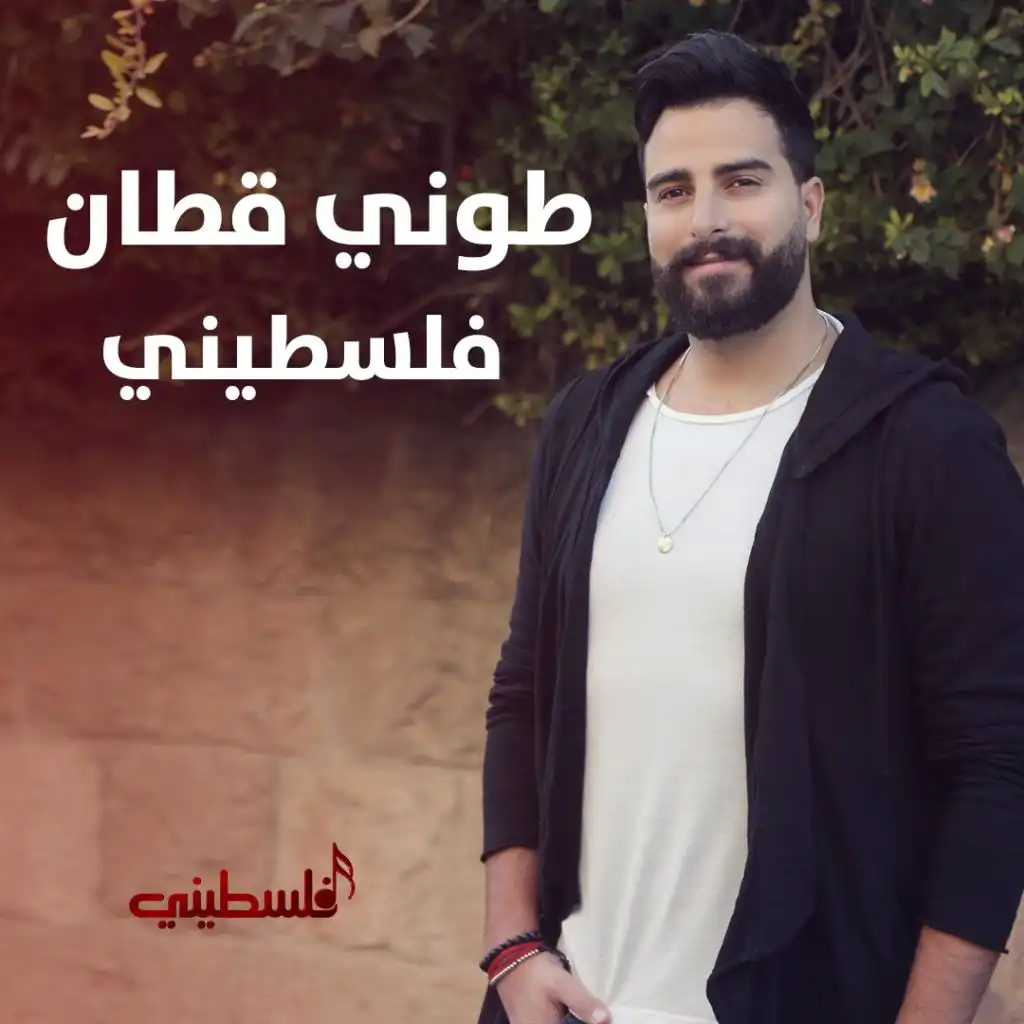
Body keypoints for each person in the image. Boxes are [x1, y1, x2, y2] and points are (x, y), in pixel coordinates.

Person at [474, 28, 1024, 1024]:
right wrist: (512, 944)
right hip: (576, 1001)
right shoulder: (586, 423)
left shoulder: (924, 442)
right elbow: (522, 693)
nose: (707, 221)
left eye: (741, 181)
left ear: (809, 204)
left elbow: (996, 766)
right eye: (673, 191)